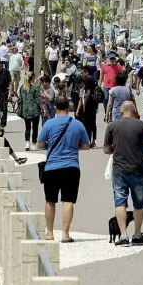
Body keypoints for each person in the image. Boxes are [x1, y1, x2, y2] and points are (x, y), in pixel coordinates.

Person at [37, 96, 90, 243]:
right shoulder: (78, 125)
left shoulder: (48, 124)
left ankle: (49, 233)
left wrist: (49, 146)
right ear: (68, 107)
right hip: (71, 166)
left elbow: (40, 144)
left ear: (55, 107)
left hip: (51, 166)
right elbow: (86, 146)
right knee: (68, 201)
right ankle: (65, 234)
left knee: (50, 201)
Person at [103, 101, 143, 246]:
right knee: (139, 202)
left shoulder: (112, 126)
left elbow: (106, 149)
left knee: (120, 202)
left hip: (119, 170)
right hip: (137, 169)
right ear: (134, 111)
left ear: (121, 111)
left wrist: (118, 149)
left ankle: (124, 236)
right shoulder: (142, 125)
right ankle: (137, 234)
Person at [18, 72, 42, 151]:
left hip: (26, 110)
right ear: (33, 78)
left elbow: (20, 99)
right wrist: (43, 108)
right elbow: (38, 100)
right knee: (35, 128)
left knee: (27, 128)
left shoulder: (22, 88)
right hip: (35, 111)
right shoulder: (35, 88)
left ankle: (27, 143)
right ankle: (34, 144)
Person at [76, 77, 99, 148]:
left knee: (91, 125)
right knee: (87, 125)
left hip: (90, 109)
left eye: (79, 85)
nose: (79, 87)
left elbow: (87, 96)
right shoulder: (82, 90)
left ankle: (92, 141)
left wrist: (84, 105)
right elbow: (80, 100)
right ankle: (88, 141)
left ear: (83, 83)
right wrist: (77, 109)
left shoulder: (88, 89)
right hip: (86, 110)